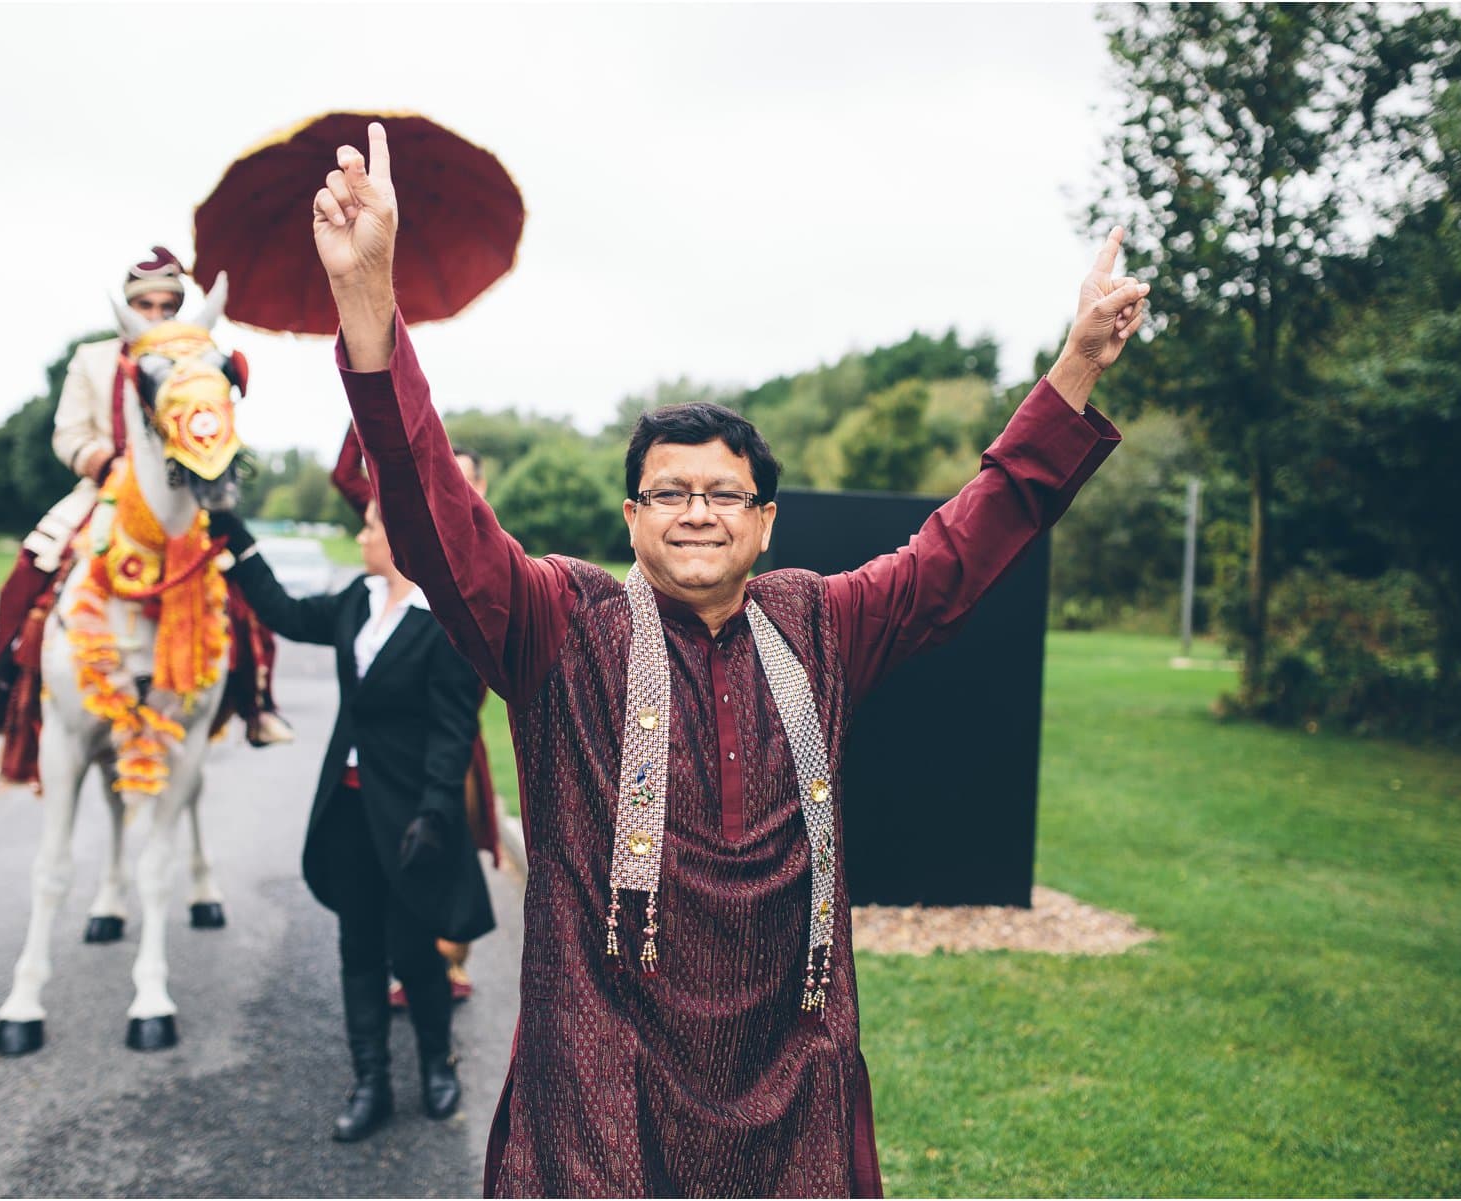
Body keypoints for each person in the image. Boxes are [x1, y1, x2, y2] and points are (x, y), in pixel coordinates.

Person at [315, 124, 1147, 1195]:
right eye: (670, 490)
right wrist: (373, 306)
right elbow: (435, 518)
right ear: (631, 516)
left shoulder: (824, 623)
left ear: (764, 524)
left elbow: (962, 549)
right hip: (603, 1083)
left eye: (724, 493)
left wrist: (1074, 367)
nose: (697, 512)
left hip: (790, 1078)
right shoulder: (558, 621)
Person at [211, 498, 496, 1139]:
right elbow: (283, 612)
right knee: (358, 947)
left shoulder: (441, 623)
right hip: (346, 809)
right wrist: (241, 543)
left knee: (416, 952)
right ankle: (370, 1083)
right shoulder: (355, 603)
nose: (362, 533)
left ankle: (435, 1066)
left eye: (371, 525)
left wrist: (435, 813)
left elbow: (454, 731)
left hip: (406, 817)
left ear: (398, 541)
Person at [0, 247, 293, 749]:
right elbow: (68, 434)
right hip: (104, 488)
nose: (156, 314)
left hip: (183, 491)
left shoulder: (197, 355)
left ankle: (259, 701)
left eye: (167, 304)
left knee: (242, 574)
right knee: (34, 561)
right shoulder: (92, 359)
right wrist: (103, 461)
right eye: (145, 304)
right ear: (130, 306)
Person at [332, 425, 500, 1006]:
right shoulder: (400, 527)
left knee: (454, 835)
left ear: (480, 486)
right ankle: (411, 962)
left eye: (462, 477)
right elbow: (346, 480)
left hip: (458, 721)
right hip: (403, 724)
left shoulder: (491, 548)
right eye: (442, 475)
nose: (448, 487)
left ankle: (450, 959)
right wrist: (367, 417)